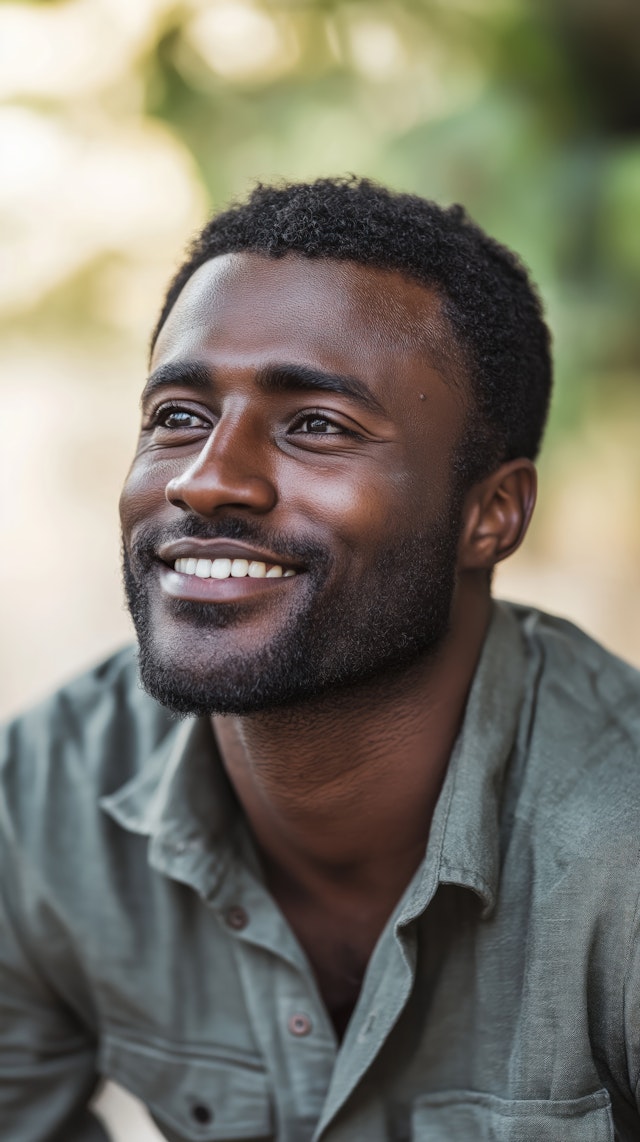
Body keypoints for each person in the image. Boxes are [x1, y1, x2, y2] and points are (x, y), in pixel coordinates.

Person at [1, 176, 639, 1142]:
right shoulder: (46, 798)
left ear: (491, 514)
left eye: (318, 426)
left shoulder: (619, 855)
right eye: (177, 415)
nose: (208, 478)